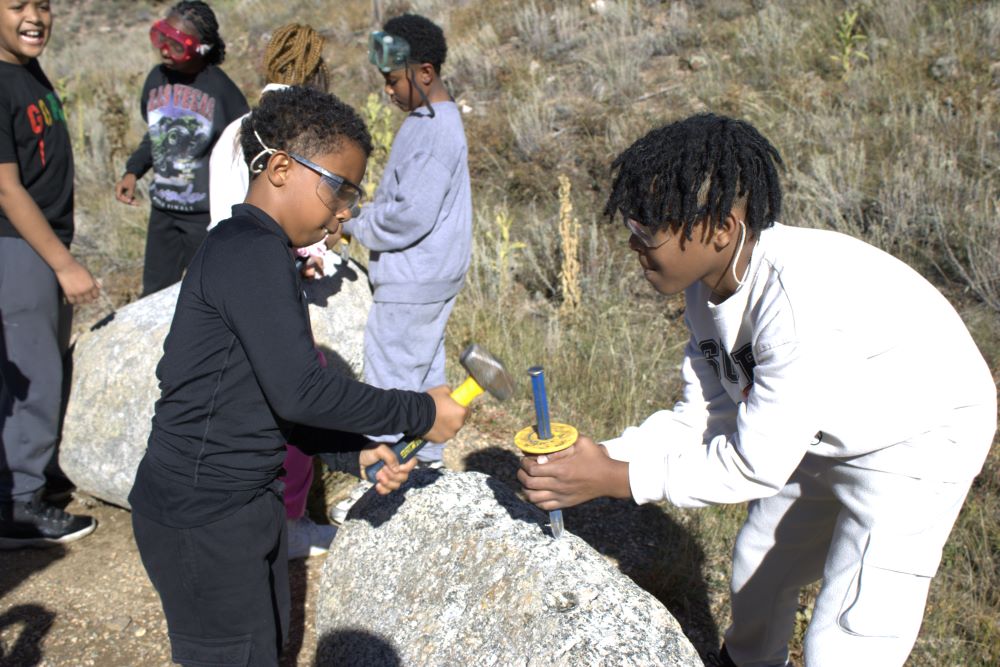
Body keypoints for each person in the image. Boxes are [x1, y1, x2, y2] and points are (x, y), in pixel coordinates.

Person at [518, 113, 997, 667]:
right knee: (758, 564)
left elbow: (755, 465)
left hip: (917, 437)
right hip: (821, 428)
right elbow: (705, 416)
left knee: (851, 632)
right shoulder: (706, 292)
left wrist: (616, 480)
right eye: (631, 223)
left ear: (719, 229)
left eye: (647, 229)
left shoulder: (796, 304)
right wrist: (606, 457)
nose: (632, 242)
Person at [129, 86, 468, 665]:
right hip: (202, 514)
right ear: (282, 167)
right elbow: (302, 390)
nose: (346, 211)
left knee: (262, 646)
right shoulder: (248, 253)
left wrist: (352, 451)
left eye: (355, 194)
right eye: (339, 188)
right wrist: (421, 412)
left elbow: (265, 397)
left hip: (237, 504)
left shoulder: (260, 251)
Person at [208, 23, 337, 560]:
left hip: (224, 284)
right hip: (273, 287)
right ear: (317, 72)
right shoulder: (305, 134)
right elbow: (306, 219)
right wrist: (311, 257)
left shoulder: (235, 129)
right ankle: (288, 526)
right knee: (299, 404)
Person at [344, 12, 472, 466]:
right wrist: (363, 213)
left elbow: (409, 218)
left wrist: (353, 222)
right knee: (421, 376)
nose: (388, 89)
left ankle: (385, 473)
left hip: (413, 280)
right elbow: (402, 203)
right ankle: (426, 468)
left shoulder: (434, 130)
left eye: (393, 79)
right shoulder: (428, 118)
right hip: (429, 275)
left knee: (390, 383)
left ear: (425, 72)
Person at [0, 0, 100, 549]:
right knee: (32, 372)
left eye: (43, 4)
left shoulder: (27, 70)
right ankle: (17, 506)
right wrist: (62, 263)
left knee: (33, 367)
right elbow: (5, 185)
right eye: (17, 4)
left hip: (37, 241)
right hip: (17, 245)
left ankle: (26, 484)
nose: (34, 15)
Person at [115, 0, 248, 296]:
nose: (164, 50)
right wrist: (132, 171)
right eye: (161, 38)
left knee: (209, 293)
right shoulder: (156, 79)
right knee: (153, 295)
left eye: (176, 45)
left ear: (201, 48)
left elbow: (242, 153)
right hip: (163, 212)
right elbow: (155, 135)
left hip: (204, 216)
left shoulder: (222, 92)